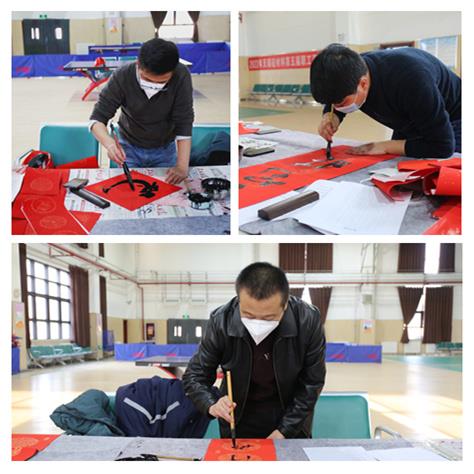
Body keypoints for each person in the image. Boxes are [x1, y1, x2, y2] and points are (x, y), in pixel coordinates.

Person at [182, 262, 326, 439]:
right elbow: (195, 375)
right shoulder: (221, 321)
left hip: (290, 417)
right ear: (239, 300)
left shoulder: (307, 320)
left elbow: (312, 382)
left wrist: (285, 430)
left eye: (269, 318)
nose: (258, 324)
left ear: (285, 305)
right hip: (239, 419)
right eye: (248, 315)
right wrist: (212, 404)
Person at [310, 43, 461, 158]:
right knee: (396, 166)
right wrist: (332, 116)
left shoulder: (412, 80)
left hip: (454, 117)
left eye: (341, 104)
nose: (336, 107)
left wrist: (385, 146)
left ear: (363, 84)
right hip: (411, 113)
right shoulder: (349, 72)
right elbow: (337, 95)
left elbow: (443, 146)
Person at [89, 38, 194, 184]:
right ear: (138, 64)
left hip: (164, 149)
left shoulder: (181, 75)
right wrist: (110, 144)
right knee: (127, 191)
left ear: (173, 71)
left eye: (162, 82)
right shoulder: (122, 76)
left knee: (167, 191)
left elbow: (184, 121)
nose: (153, 86)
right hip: (128, 148)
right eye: (147, 79)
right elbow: (97, 119)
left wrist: (182, 167)